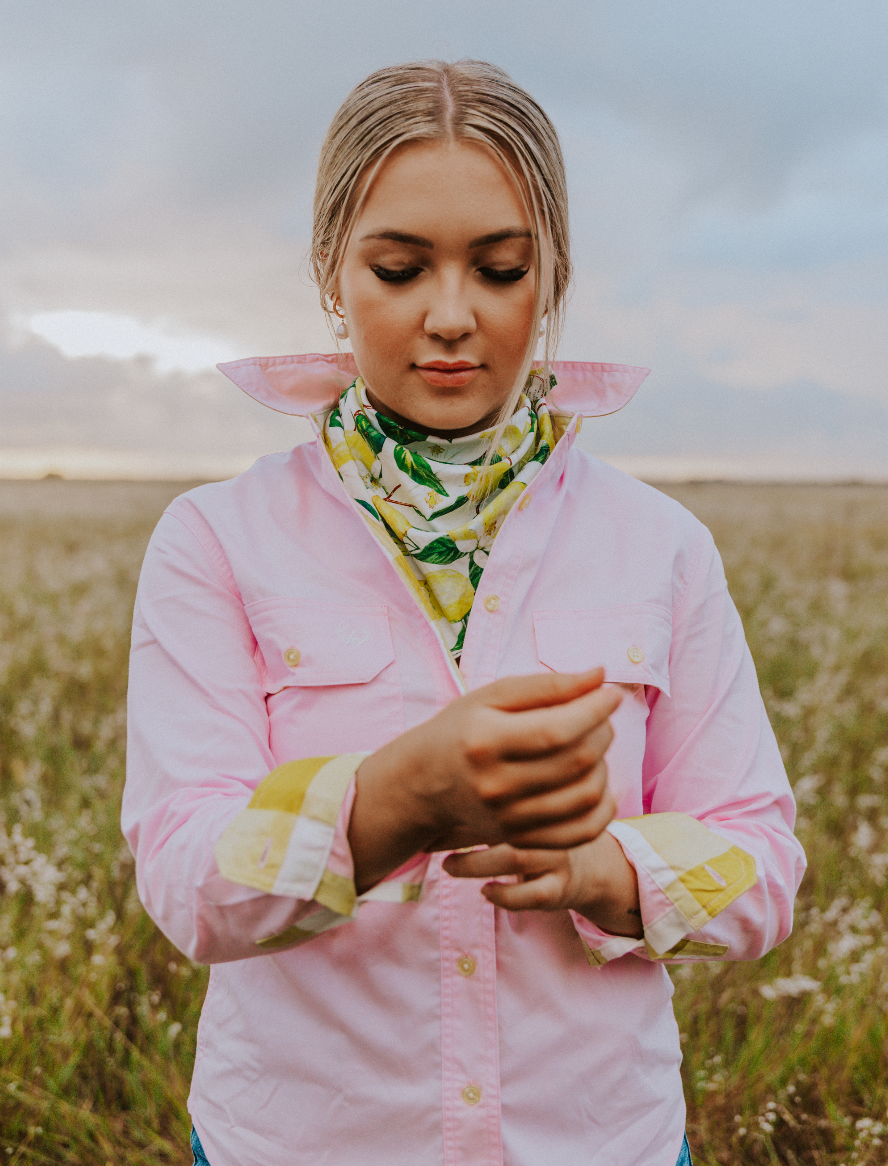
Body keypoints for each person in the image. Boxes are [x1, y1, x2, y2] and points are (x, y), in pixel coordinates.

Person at [122, 60, 806, 1166]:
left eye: (500, 268)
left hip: (602, 1140)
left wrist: (604, 872)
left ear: (553, 278)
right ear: (331, 271)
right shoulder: (216, 538)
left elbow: (761, 860)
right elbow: (185, 876)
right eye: (398, 267)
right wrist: (389, 801)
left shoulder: (660, 544)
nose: (450, 315)